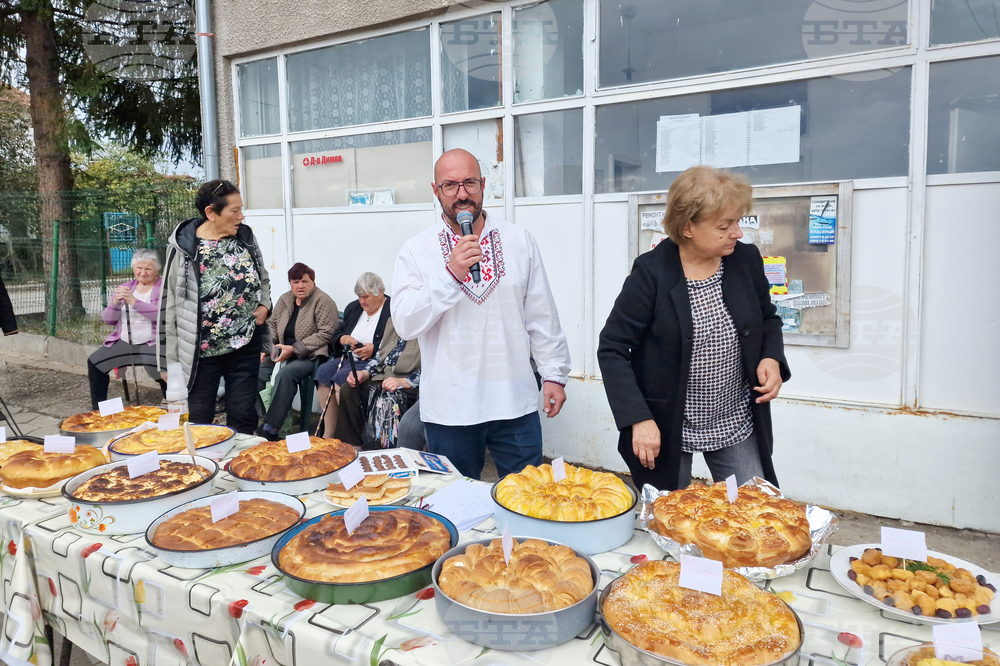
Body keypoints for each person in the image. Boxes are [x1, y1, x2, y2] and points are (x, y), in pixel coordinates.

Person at [597, 166, 790, 493]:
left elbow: (768, 317)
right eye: (724, 225)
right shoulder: (651, 273)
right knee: (669, 522)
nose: (737, 233)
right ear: (688, 227)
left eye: (738, 221)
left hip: (733, 419)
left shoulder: (745, 260)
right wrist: (637, 418)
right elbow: (613, 348)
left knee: (755, 514)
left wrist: (771, 358)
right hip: (665, 424)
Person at [391, 148, 571, 480]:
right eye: (450, 185)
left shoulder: (519, 241)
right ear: (435, 191)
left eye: (470, 182)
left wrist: (553, 374)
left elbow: (541, 314)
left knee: (528, 499)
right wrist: (450, 275)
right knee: (458, 504)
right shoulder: (417, 250)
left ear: (483, 184)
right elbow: (404, 323)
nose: (462, 194)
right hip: (450, 408)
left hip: (515, 402)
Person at [159, 179, 271, 434]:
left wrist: (265, 304)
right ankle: (202, 467)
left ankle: (240, 467)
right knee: (200, 416)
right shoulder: (185, 248)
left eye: (241, 209)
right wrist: (170, 362)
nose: (241, 216)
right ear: (211, 212)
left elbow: (262, 276)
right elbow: (171, 307)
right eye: (234, 211)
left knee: (243, 412)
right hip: (202, 350)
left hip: (245, 342)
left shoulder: (245, 237)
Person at [256, 262, 338, 440]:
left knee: (286, 374)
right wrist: (268, 346)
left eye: (304, 281)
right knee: (256, 371)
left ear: (312, 281)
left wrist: (293, 349)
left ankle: (272, 428)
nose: (300, 286)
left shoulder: (323, 301)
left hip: (311, 355)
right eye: (295, 282)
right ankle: (261, 417)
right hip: (281, 348)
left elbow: (326, 333)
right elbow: (272, 325)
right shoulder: (285, 299)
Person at [87, 249, 166, 409]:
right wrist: (115, 302)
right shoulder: (125, 287)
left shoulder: (163, 287)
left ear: (157, 269)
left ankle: (172, 402)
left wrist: (134, 301)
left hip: (154, 341)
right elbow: (108, 320)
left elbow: (163, 317)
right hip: (125, 340)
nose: (142, 273)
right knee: (95, 363)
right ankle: (99, 410)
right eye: (139, 268)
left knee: (157, 366)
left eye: (148, 269)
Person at [336, 319, 420, 449]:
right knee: (349, 389)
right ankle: (352, 447)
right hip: (384, 376)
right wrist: (365, 373)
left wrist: (405, 381)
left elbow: (434, 366)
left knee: (390, 400)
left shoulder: (430, 324)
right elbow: (380, 357)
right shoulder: (393, 322)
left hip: (412, 383)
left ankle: (387, 452)